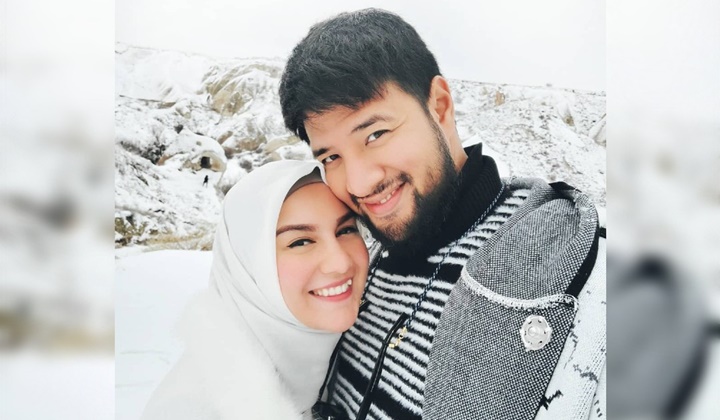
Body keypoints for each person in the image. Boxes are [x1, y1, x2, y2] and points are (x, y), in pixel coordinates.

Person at [279, 8, 606, 420]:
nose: (359, 183)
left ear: (439, 105)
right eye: (331, 157)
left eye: (375, 134)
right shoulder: (356, 269)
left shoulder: (575, 269)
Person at [141, 159, 369, 419]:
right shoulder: (193, 409)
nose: (340, 262)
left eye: (346, 230)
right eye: (301, 242)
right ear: (248, 267)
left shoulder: (323, 362)